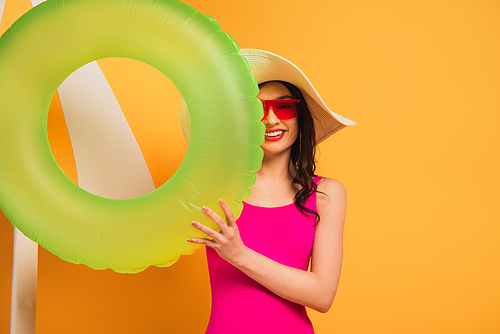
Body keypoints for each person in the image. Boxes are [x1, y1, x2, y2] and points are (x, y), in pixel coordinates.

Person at [184, 49, 356, 334]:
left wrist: (239, 255)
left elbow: (323, 295)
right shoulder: (213, 190)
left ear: (300, 118)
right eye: (258, 109)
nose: (272, 119)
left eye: (284, 107)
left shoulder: (326, 194)